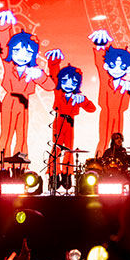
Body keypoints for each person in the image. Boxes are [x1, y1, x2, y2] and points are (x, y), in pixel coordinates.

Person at [0, 10, 55, 162]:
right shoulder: (9, 65)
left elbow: (50, 86)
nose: (22, 55)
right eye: (17, 51)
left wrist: (39, 75)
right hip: (10, 99)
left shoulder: (34, 70)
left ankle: (20, 164)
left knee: (22, 134)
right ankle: (1, 165)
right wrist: (3, 27)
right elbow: (3, 43)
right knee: (6, 133)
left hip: (24, 102)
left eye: (27, 52)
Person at [88, 31, 130, 156]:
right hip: (106, 113)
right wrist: (100, 44)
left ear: (128, 68)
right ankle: (99, 163)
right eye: (113, 65)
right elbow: (99, 62)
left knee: (118, 141)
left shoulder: (127, 85)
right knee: (104, 140)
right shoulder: (106, 79)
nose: (117, 69)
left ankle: (117, 163)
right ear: (107, 66)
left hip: (119, 114)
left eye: (122, 67)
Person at [45, 49, 97, 190]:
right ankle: (53, 174)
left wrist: (84, 100)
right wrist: (54, 62)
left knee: (69, 149)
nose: (69, 84)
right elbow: (54, 73)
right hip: (59, 120)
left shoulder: (77, 97)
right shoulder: (58, 91)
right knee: (56, 148)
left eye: (73, 82)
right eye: (65, 81)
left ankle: (67, 174)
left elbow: (92, 108)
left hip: (70, 122)